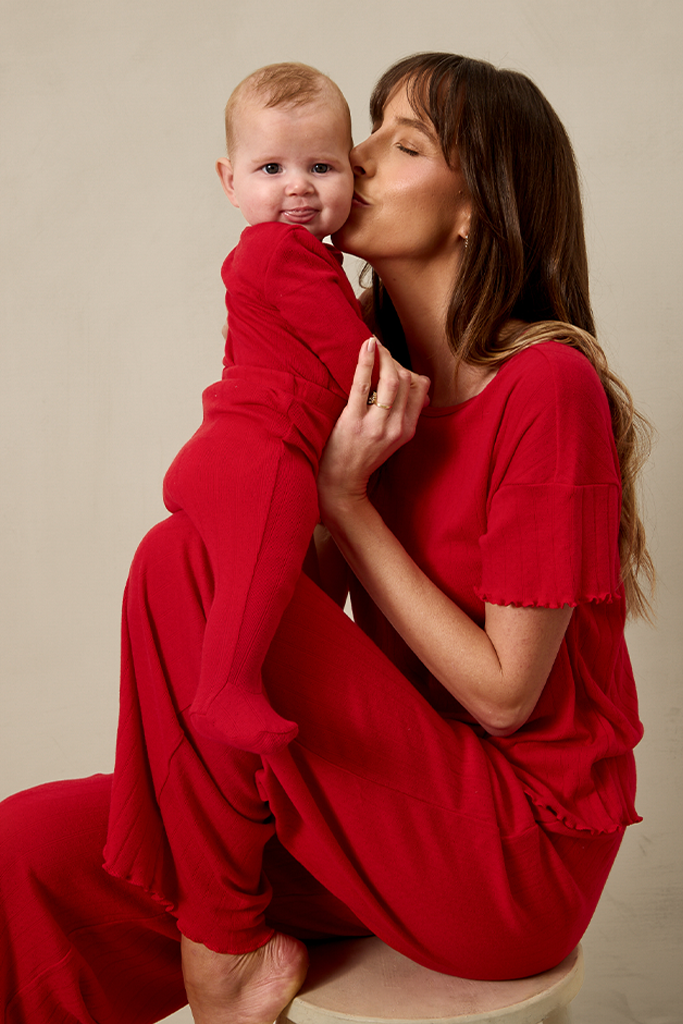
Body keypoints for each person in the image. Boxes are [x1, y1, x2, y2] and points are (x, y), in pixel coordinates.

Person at [0, 52, 653, 1024]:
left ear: (476, 207)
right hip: (384, 810)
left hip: (510, 852)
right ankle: (220, 922)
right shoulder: (362, 372)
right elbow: (292, 623)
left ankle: (223, 950)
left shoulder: (543, 388)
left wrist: (345, 499)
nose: (355, 154)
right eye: (371, 129)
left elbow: (506, 694)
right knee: (30, 847)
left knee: (178, 557)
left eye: (405, 141)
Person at [163, 62, 372, 753]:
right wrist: (408, 391)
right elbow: (354, 361)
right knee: (271, 552)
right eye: (271, 168)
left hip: (249, 446)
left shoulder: (300, 257)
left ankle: (255, 685)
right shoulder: (281, 250)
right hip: (258, 452)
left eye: (320, 166)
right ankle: (224, 687)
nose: (298, 189)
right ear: (229, 181)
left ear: (353, 173)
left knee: (290, 589)